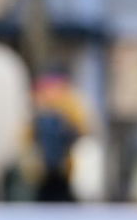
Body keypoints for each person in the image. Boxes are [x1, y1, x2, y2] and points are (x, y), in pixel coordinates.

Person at [28, 70, 92, 203]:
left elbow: (79, 133)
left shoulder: (64, 115)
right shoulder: (42, 118)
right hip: (48, 172)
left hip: (61, 171)